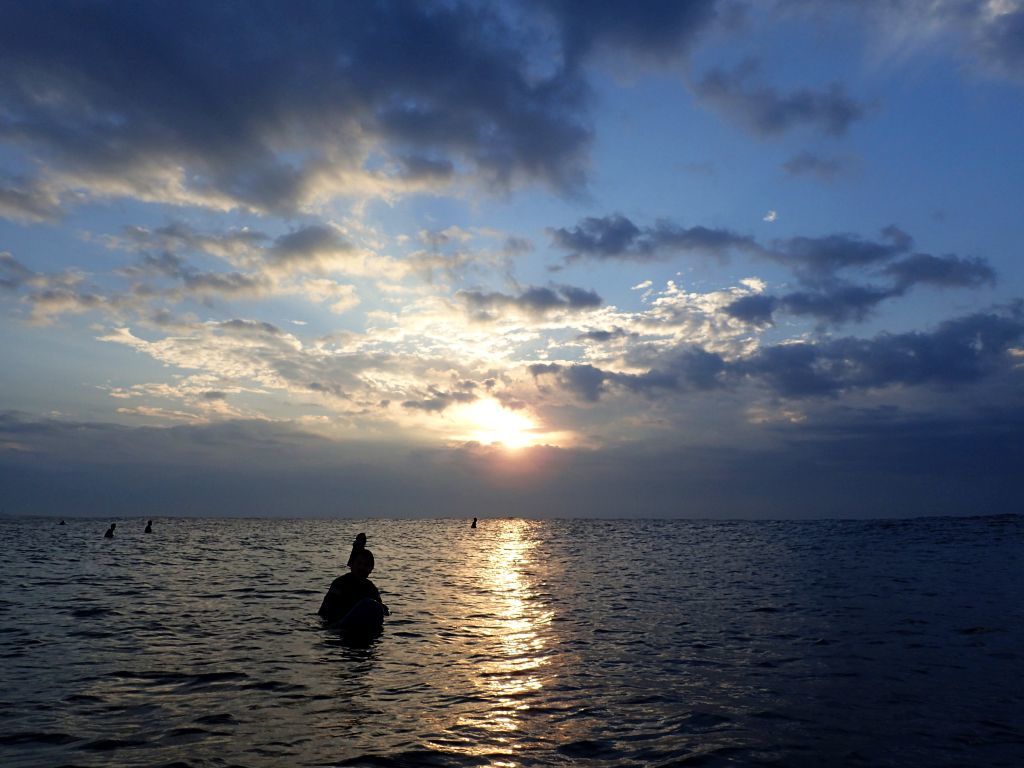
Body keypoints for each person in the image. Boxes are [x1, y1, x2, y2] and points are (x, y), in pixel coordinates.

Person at [319, 548, 389, 630]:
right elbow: (326, 610)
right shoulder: (340, 583)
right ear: (352, 564)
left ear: (371, 569)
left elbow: (380, 610)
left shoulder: (371, 589)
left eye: (366, 565)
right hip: (338, 625)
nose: (362, 567)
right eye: (359, 563)